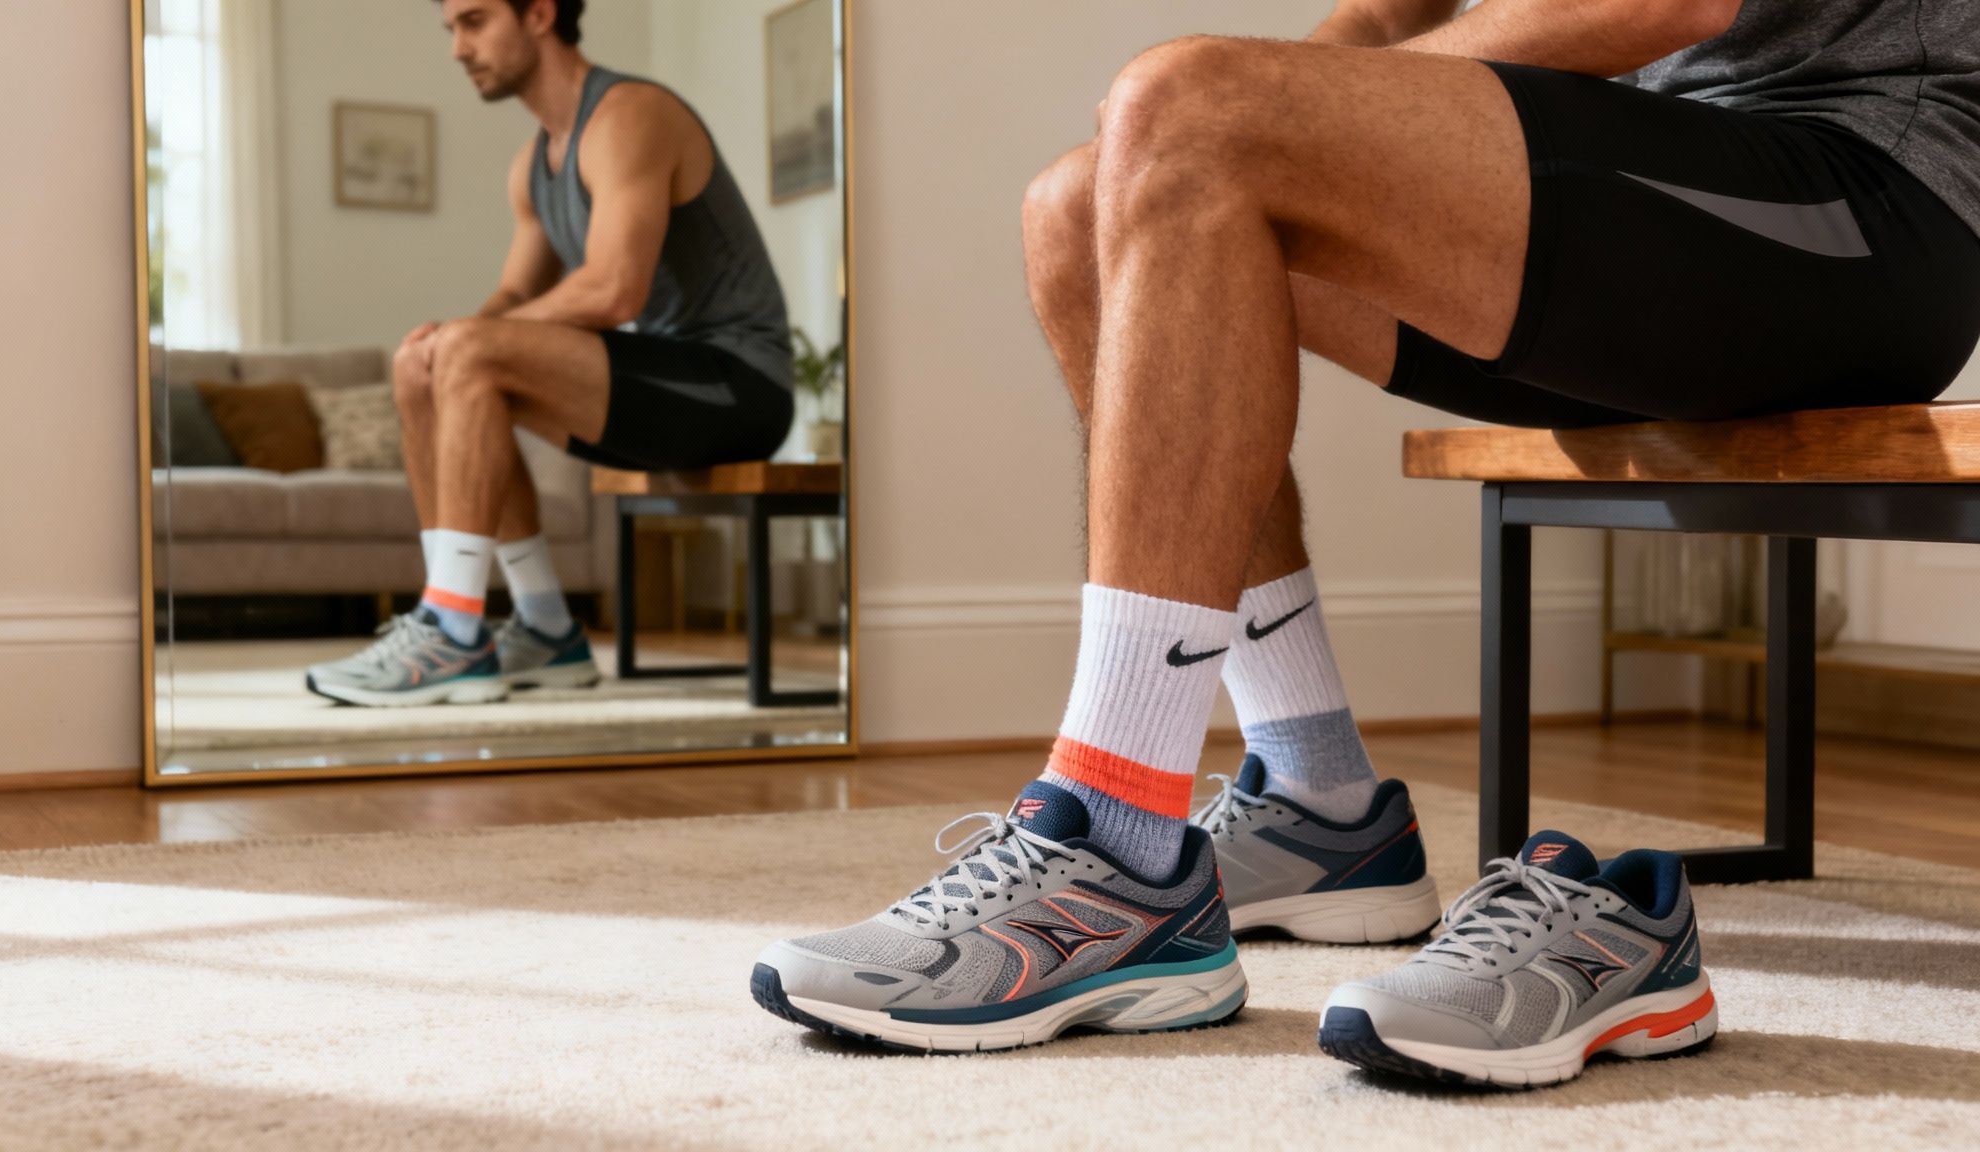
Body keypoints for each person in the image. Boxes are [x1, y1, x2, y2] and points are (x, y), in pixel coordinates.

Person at [750, 0, 1980, 1085]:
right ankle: (1319, 800)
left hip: (1860, 201)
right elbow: (1379, 19)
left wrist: (1244, 112)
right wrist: (1255, 114)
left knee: (1188, 113)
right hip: (1652, 198)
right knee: (1086, 203)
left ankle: (1110, 844)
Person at [308, 0, 793, 708]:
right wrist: (446, 342)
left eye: (475, 21)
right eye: (452, 28)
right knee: (418, 366)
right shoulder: (532, 164)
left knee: (466, 353)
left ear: (539, 13)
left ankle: (451, 629)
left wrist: (467, 344)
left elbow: (614, 290)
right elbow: (515, 292)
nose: (458, 47)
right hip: (658, 381)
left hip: (737, 386)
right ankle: (544, 626)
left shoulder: (629, 116)